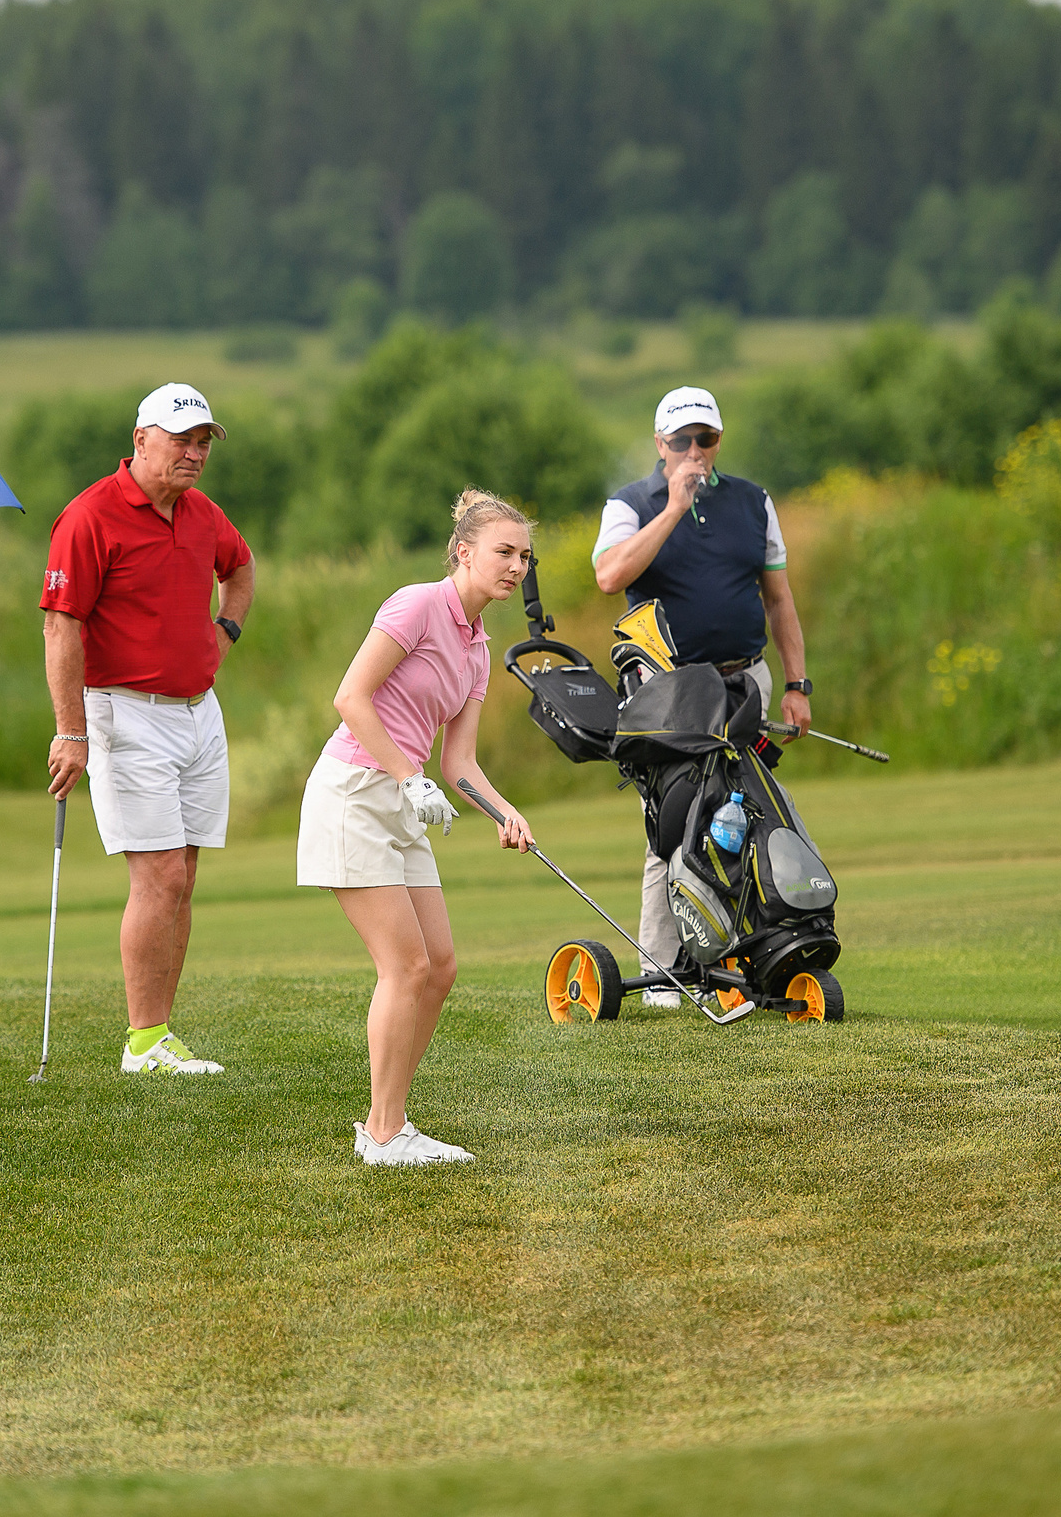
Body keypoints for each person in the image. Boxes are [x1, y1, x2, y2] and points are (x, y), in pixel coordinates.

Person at [297, 489, 538, 1166]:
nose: (516, 566)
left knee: (440, 967)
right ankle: (382, 1133)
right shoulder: (415, 604)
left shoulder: (479, 647)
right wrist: (408, 774)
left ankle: (391, 1121)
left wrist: (503, 810)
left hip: (404, 798)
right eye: (504, 552)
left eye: (524, 555)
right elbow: (351, 697)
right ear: (463, 552)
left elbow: (459, 762)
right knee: (404, 965)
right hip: (355, 793)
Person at [41, 385, 256, 1075]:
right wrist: (70, 731)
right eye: (181, 439)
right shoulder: (90, 516)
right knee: (159, 874)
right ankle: (143, 1042)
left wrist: (223, 634)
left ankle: (160, 1035)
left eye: (203, 442)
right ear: (141, 438)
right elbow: (61, 624)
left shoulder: (201, 513)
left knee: (184, 875)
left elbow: (241, 567)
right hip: (124, 712)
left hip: (199, 711)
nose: (194, 453)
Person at [592, 385, 813, 1008]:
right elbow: (610, 576)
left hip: (747, 682)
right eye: (683, 439)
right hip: (668, 690)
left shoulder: (752, 502)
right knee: (676, 825)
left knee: (747, 814)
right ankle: (665, 977)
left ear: (718, 440)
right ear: (661, 444)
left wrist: (796, 686)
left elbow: (779, 601)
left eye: (706, 438)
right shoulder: (630, 504)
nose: (696, 449)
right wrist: (672, 510)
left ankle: (747, 961)